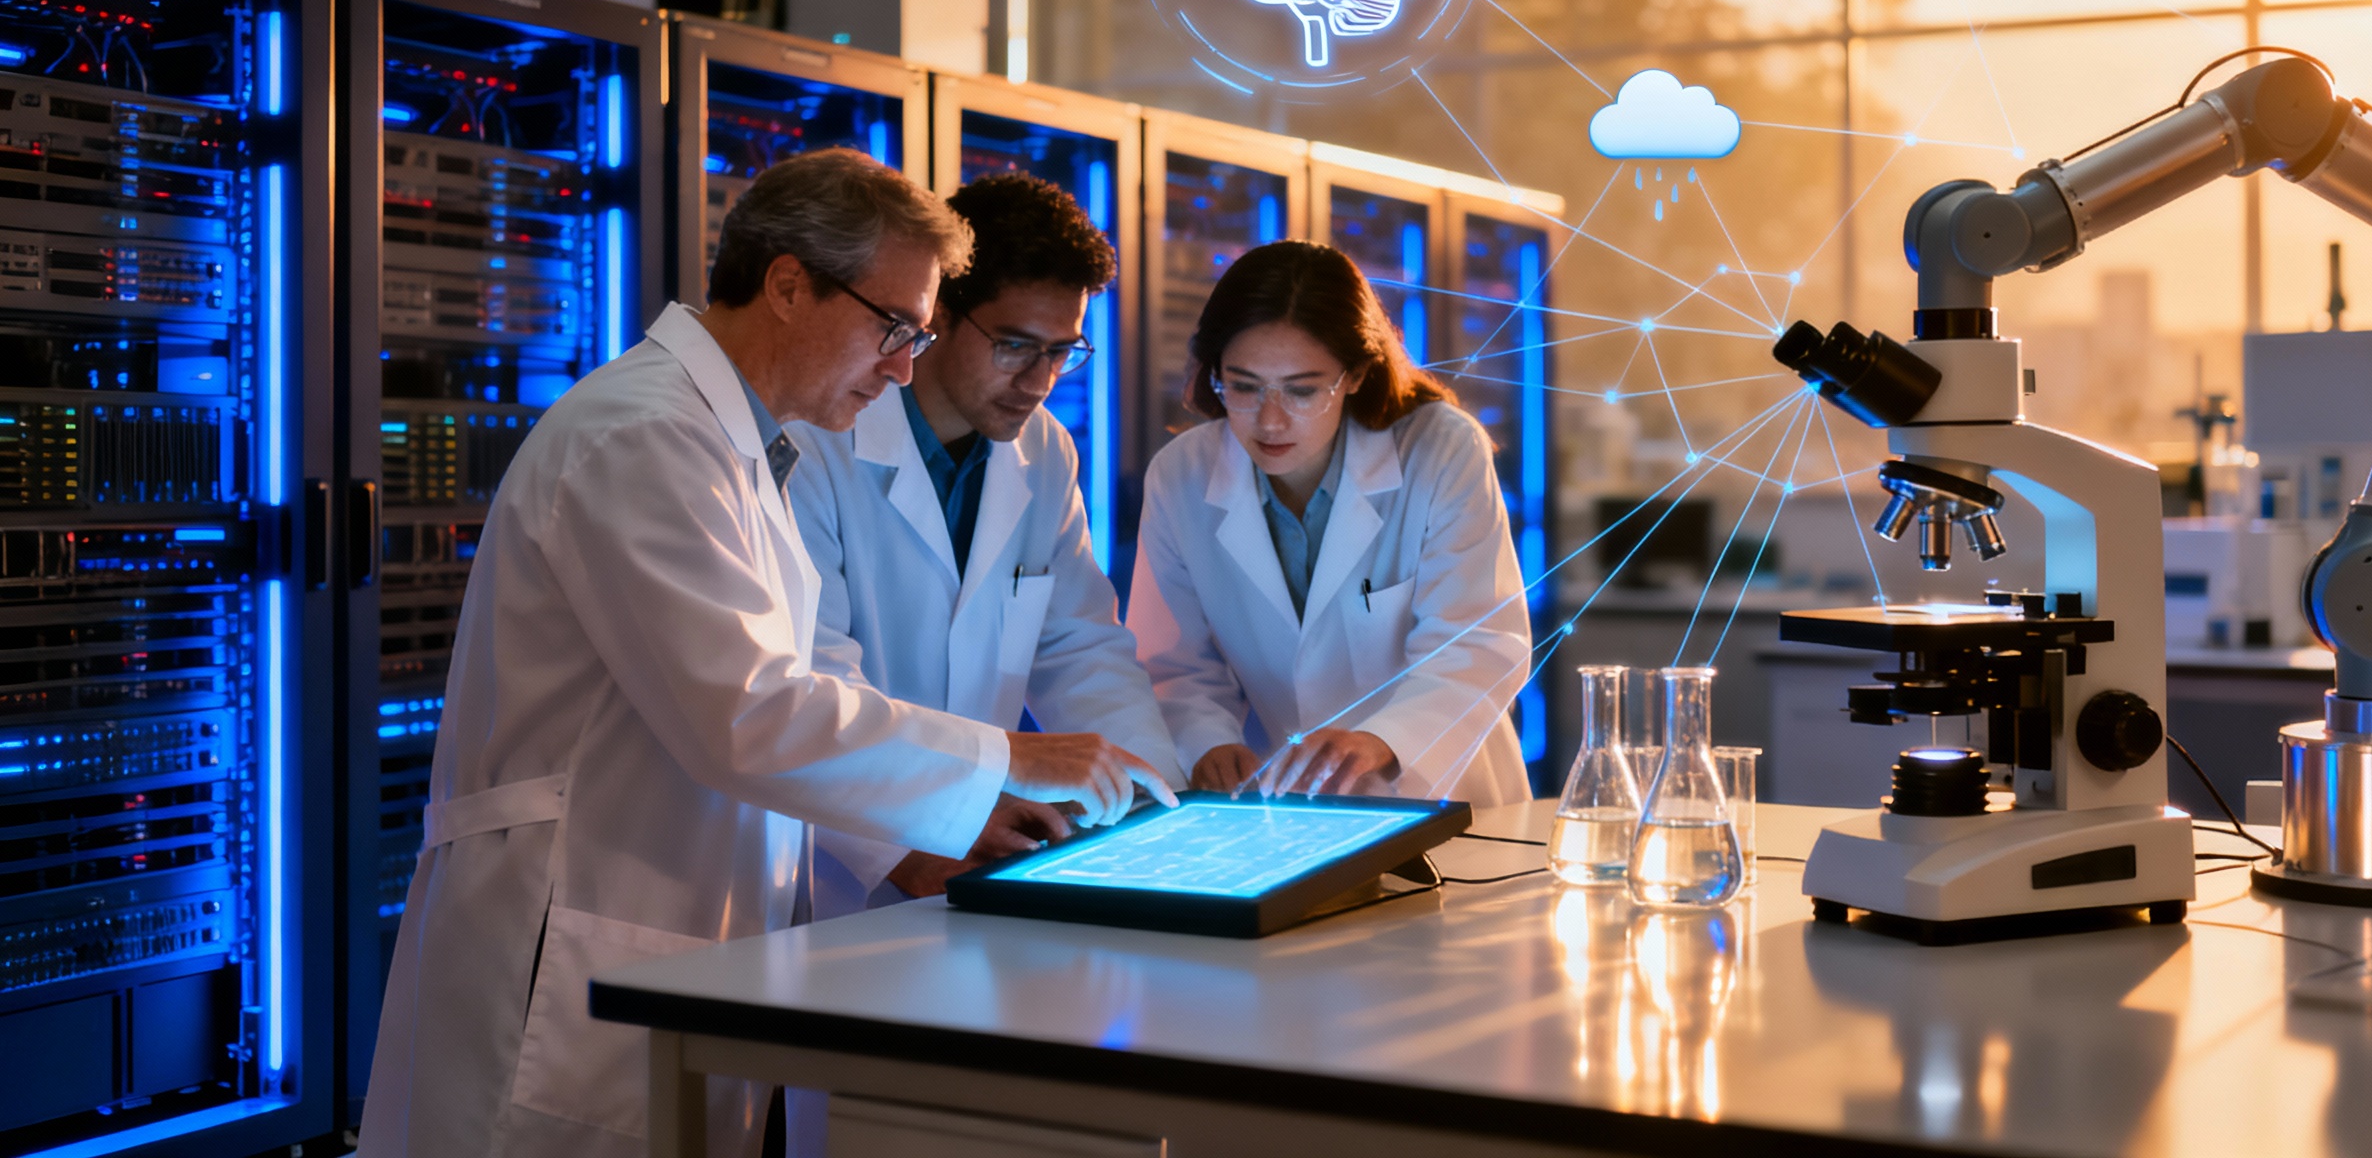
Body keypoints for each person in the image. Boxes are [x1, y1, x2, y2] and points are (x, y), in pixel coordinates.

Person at [361, 149, 1174, 1158]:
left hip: (691, 926)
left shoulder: (739, 443)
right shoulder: (642, 438)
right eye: (893, 328)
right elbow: (750, 711)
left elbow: (1057, 645)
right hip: (573, 932)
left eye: (917, 336)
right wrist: (1013, 759)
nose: (902, 366)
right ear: (788, 284)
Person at [789, 172, 1184, 912]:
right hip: (834, 858)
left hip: (969, 850)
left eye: (1064, 352)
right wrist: (907, 832)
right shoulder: (818, 442)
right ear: (936, 312)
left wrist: (1154, 803)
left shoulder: (1044, 451)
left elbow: (1080, 648)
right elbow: (810, 678)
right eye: (1014, 346)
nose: (1041, 381)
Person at [1130, 240, 1534, 805]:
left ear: (1357, 374)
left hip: (1445, 796)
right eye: (1244, 386)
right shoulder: (1181, 475)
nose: (1270, 421)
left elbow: (1480, 644)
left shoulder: (1439, 448)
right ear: (1213, 371)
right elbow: (1174, 664)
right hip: (1286, 808)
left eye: (1301, 390)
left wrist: (1380, 741)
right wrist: (1206, 742)